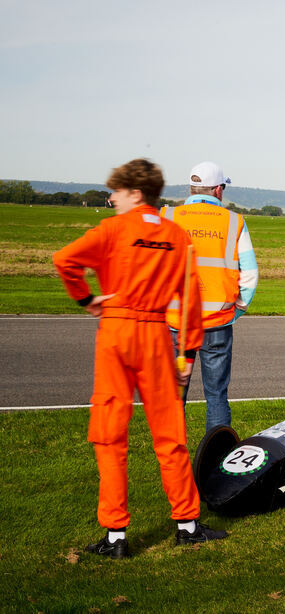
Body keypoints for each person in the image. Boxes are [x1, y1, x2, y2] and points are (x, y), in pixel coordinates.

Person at [53, 158, 227, 559]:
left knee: (110, 436)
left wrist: (87, 299)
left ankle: (116, 536)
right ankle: (187, 525)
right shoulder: (176, 235)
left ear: (134, 192)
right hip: (155, 336)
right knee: (170, 436)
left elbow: (65, 261)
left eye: (115, 191)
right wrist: (184, 360)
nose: (111, 198)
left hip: (116, 334)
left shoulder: (113, 228)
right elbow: (189, 303)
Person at [160, 161, 258, 432]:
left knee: (174, 394)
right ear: (217, 189)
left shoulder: (167, 216)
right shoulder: (234, 221)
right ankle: (216, 459)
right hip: (217, 323)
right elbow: (249, 275)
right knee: (216, 395)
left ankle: (172, 455)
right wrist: (236, 309)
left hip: (176, 322)